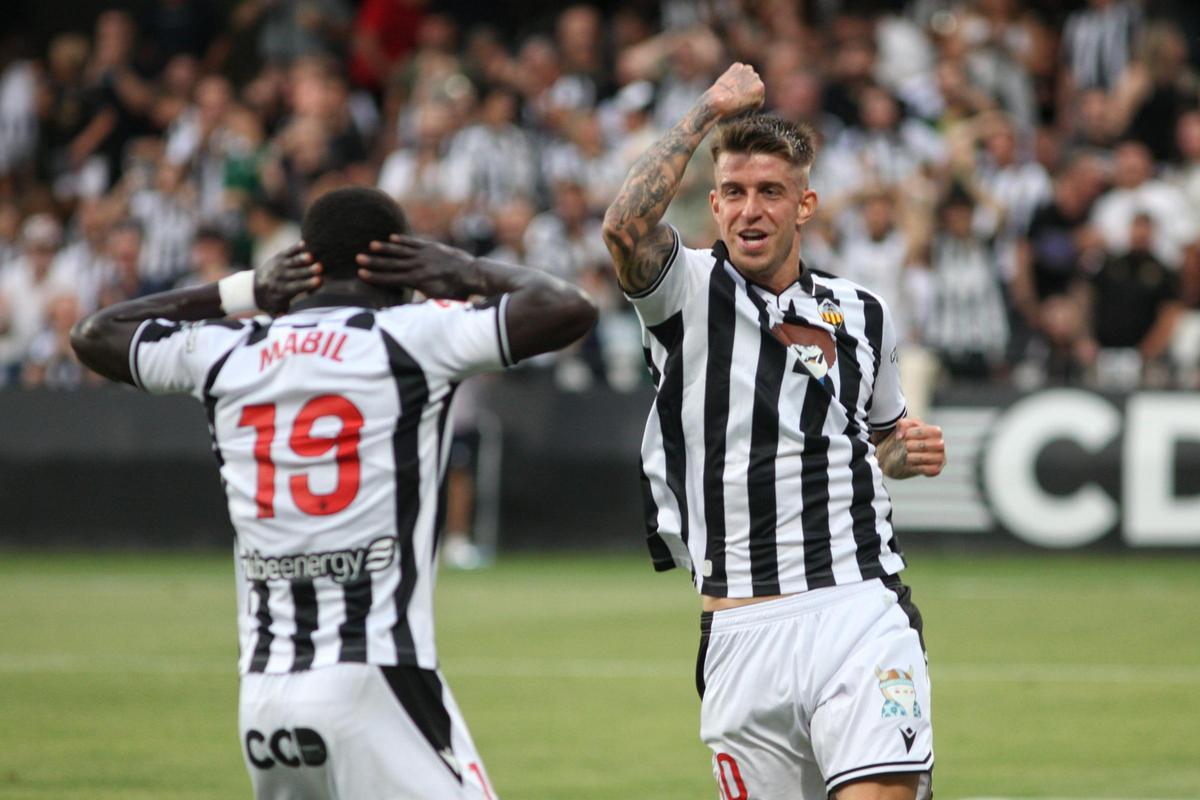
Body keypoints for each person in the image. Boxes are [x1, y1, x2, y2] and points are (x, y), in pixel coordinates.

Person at [70, 186, 597, 799]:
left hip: (264, 699)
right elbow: (568, 308)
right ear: (402, 259)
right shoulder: (415, 337)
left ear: (303, 262)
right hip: (374, 679)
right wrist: (465, 270)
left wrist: (241, 293)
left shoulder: (228, 351)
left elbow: (94, 334)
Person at [601, 63, 946, 800]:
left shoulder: (863, 313)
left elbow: (879, 437)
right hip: (740, 630)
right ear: (714, 204)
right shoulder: (686, 292)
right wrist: (705, 113)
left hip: (859, 606)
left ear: (805, 205)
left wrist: (904, 451)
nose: (749, 210)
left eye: (770, 192)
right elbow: (625, 226)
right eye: (733, 193)